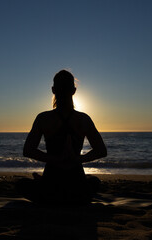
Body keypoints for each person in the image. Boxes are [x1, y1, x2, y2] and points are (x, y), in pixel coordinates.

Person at [17, 70, 107, 205]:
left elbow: (28, 150)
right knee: (95, 182)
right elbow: (101, 151)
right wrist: (77, 160)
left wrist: (55, 160)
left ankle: (42, 183)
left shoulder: (43, 118)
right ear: (74, 90)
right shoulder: (83, 119)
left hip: (50, 187)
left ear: (53, 90)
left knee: (21, 184)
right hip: (78, 187)